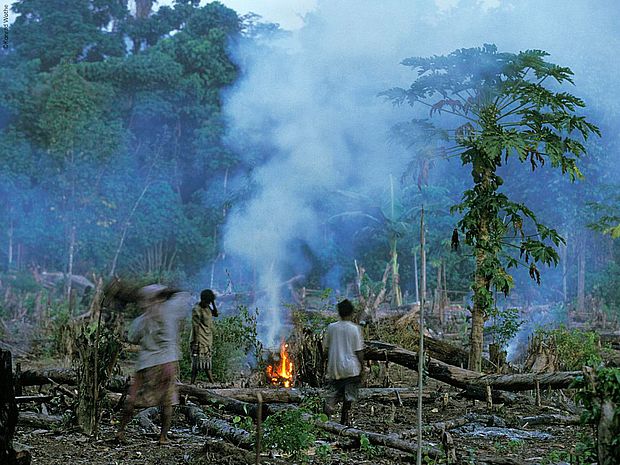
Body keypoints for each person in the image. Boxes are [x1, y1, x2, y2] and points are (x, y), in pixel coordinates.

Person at [116, 284, 191, 445]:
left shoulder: (141, 320)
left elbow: (133, 337)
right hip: (166, 362)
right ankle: (163, 437)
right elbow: (184, 296)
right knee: (167, 401)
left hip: (145, 364)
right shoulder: (169, 311)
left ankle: (120, 431)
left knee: (134, 398)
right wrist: (169, 292)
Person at [323, 299, 365, 426]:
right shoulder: (354, 329)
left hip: (335, 368)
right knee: (349, 398)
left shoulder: (331, 328)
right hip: (351, 369)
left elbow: (326, 348)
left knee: (333, 394)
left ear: (339, 312)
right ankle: (344, 421)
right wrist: (362, 367)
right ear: (351, 313)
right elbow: (359, 351)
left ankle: (326, 419)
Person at [190, 289, 218, 384]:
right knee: (196, 363)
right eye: (208, 301)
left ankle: (195, 383)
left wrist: (213, 303)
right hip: (199, 338)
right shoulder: (196, 309)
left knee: (207, 362)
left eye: (210, 302)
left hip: (207, 338)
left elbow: (216, 314)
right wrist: (196, 343)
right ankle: (194, 383)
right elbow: (195, 327)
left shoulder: (208, 308)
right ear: (203, 300)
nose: (208, 303)